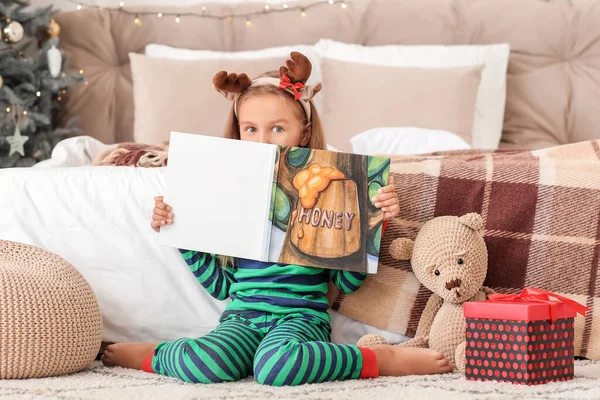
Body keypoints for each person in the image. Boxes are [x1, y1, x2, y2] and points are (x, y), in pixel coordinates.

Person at [102, 52, 452, 386]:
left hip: (301, 320)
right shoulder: (226, 196)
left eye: (278, 129)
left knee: (278, 367)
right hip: (241, 318)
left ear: (304, 131)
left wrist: (373, 221)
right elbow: (222, 287)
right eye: (250, 129)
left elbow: (346, 285)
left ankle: (379, 361)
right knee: (208, 362)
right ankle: (157, 354)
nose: (262, 140)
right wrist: (180, 232)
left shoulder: (331, 186)